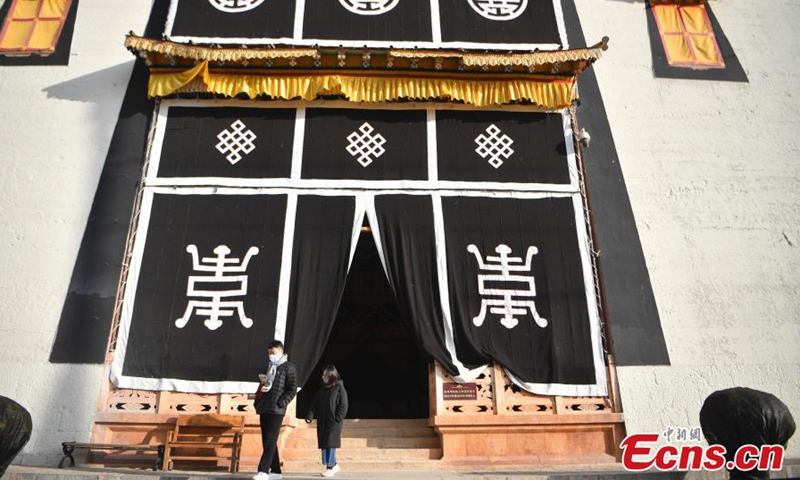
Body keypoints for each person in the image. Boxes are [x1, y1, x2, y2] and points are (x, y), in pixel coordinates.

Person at [253, 340, 297, 480]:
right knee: (267, 440)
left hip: (276, 409)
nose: (271, 355)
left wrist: (281, 402)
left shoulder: (288, 367)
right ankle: (276, 471)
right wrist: (258, 400)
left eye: (273, 353)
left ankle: (263, 470)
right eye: (269, 353)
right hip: (265, 407)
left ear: (281, 351)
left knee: (270, 439)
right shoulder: (270, 366)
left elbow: (292, 388)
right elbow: (264, 385)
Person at [305, 365, 349, 477]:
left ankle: (330, 467)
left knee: (331, 444)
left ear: (332, 375)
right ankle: (333, 465)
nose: (323, 377)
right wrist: (310, 416)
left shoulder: (339, 388)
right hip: (323, 422)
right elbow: (314, 404)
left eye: (326, 375)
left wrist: (337, 418)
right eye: (323, 375)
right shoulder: (322, 390)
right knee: (325, 444)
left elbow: (344, 405)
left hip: (334, 422)